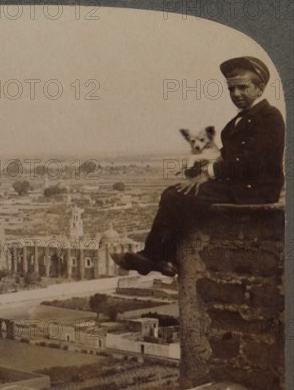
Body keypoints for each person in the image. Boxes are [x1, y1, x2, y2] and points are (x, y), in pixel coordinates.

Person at [113, 56, 285, 276]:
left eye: (243, 87)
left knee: (175, 197)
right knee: (176, 193)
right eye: (231, 89)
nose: (236, 94)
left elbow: (252, 163)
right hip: (241, 187)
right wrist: (198, 168)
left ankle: (155, 257)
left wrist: (208, 173)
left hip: (257, 190)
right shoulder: (240, 120)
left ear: (260, 89)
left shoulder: (270, 117)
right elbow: (227, 155)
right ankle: (161, 257)